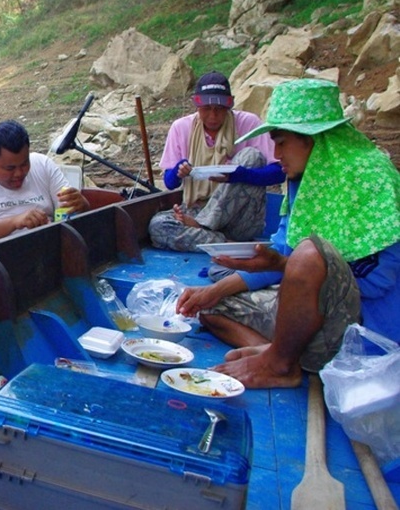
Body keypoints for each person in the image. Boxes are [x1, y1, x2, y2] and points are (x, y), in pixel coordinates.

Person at [176, 78, 400, 388]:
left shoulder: (369, 176)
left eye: (281, 142)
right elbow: (283, 248)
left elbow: (376, 279)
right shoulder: (301, 179)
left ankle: (280, 364)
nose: (276, 153)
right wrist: (211, 292)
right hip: (311, 305)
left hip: (362, 327)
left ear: (314, 140)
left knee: (309, 253)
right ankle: (277, 352)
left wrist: (285, 269)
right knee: (211, 307)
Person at [149, 71, 285, 252]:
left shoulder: (248, 123)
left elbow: (278, 173)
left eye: (219, 109)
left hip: (239, 216)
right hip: (196, 209)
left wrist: (239, 176)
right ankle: (223, 242)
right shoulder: (181, 127)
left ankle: (203, 228)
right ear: (197, 106)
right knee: (158, 226)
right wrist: (177, 171)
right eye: (206, 109)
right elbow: (169, 182)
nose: (213, 116)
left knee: (251, 156)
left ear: (229, 106)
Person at [0, 119, 90, 248]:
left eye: (24, 164)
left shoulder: (43, 165)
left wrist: (81, 205)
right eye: (9, 168)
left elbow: (69, 213)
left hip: (45, 251)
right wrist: (14, 222)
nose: (19, 173)